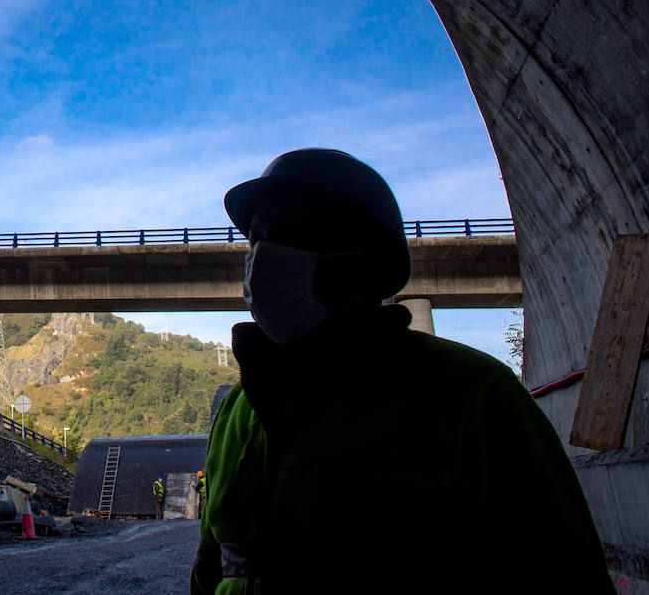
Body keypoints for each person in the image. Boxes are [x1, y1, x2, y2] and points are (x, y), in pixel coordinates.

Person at [191, 148, 613, 594]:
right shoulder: (240, 406)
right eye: (258, 238)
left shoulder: (471, 395)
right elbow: (212, 563)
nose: (264, 257)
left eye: (294, 234)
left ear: (362, 265)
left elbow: (565, 570)